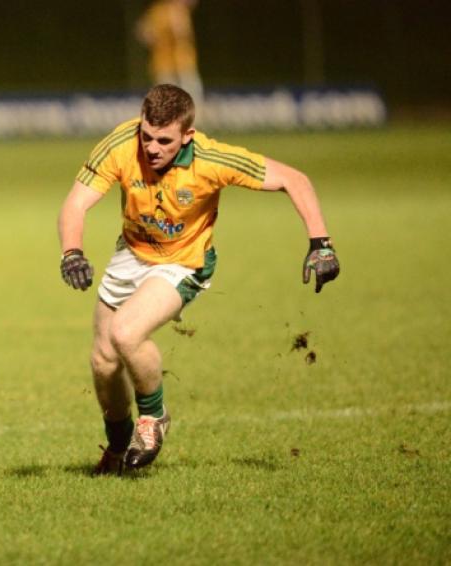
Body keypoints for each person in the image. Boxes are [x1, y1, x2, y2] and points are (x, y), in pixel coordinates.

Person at [57, 84, 339, 475]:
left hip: (184, 261)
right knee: (104, 362)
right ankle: (118, 448)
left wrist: (320, 243)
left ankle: (153, 419)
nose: (152, 147)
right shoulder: (121, 143)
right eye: (147, 135)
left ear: (186, 135)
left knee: (125, 334)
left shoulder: (211, 159)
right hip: (132, 252)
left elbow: (294, 179)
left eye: (164, 140)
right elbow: (76, 202)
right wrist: (71, 251)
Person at [136, 0, 204, 111]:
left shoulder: (182, 11)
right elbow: (143, 31)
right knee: (168, 100)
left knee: (192, 95)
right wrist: (151, 36)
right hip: (164, 64)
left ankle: (191, 122)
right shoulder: (160, 11)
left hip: (184, 63)